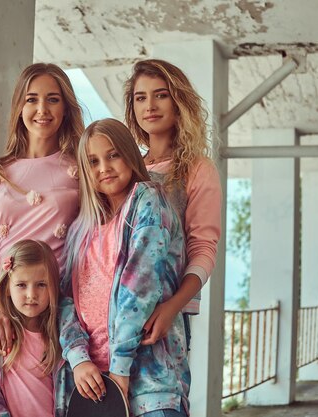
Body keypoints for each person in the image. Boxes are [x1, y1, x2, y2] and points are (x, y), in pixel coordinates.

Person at [0, 63, 85, 417]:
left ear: (66, 107)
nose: (42, 110)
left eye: (53, 100)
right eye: (32, 99)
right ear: (19, 108)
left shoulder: (80, 171)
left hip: (51, 316)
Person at [60, 118, 190, 416]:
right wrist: (79, 358)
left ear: (130, 154)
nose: (104, 167)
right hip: (93, 387)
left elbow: (140, 287)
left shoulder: (149, 200)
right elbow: (64, 301)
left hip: (150, 385)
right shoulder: (81, 228)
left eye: (113, 155)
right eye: (93, 161)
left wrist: (120, 369)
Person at [123, 59, 222, 346]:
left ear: (178, 102)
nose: (149, 105)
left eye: (161, 94)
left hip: (165, 318)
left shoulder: (199, 169)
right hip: (117, 312)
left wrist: (173, 307)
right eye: (140, 98)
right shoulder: (125, 168)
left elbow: (203, 249)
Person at [0, 239, 74, 417]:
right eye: (21, 285)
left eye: (41, 285)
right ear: (7, 288)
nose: (31, 295)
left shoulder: (59, 331)